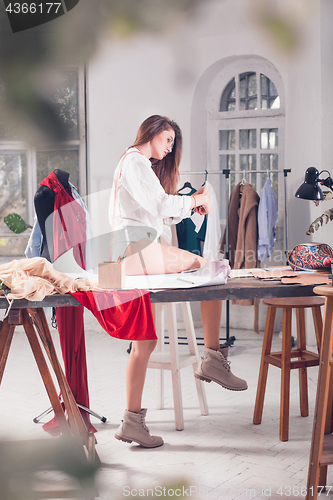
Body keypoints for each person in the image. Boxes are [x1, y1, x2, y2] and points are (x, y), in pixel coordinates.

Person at [109, 115, 247, 448]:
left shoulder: (137, 166)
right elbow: (159, 203)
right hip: (134, 252)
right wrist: (197, 201)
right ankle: (213, 359)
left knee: (145, 343)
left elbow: (160, 212)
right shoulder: (136, 160)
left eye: (173, 143)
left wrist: (189, 207)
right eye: (168, 139)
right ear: (152, 132)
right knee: (212, 269)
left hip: (126, 255)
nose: (170, 147)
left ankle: (131, 423)